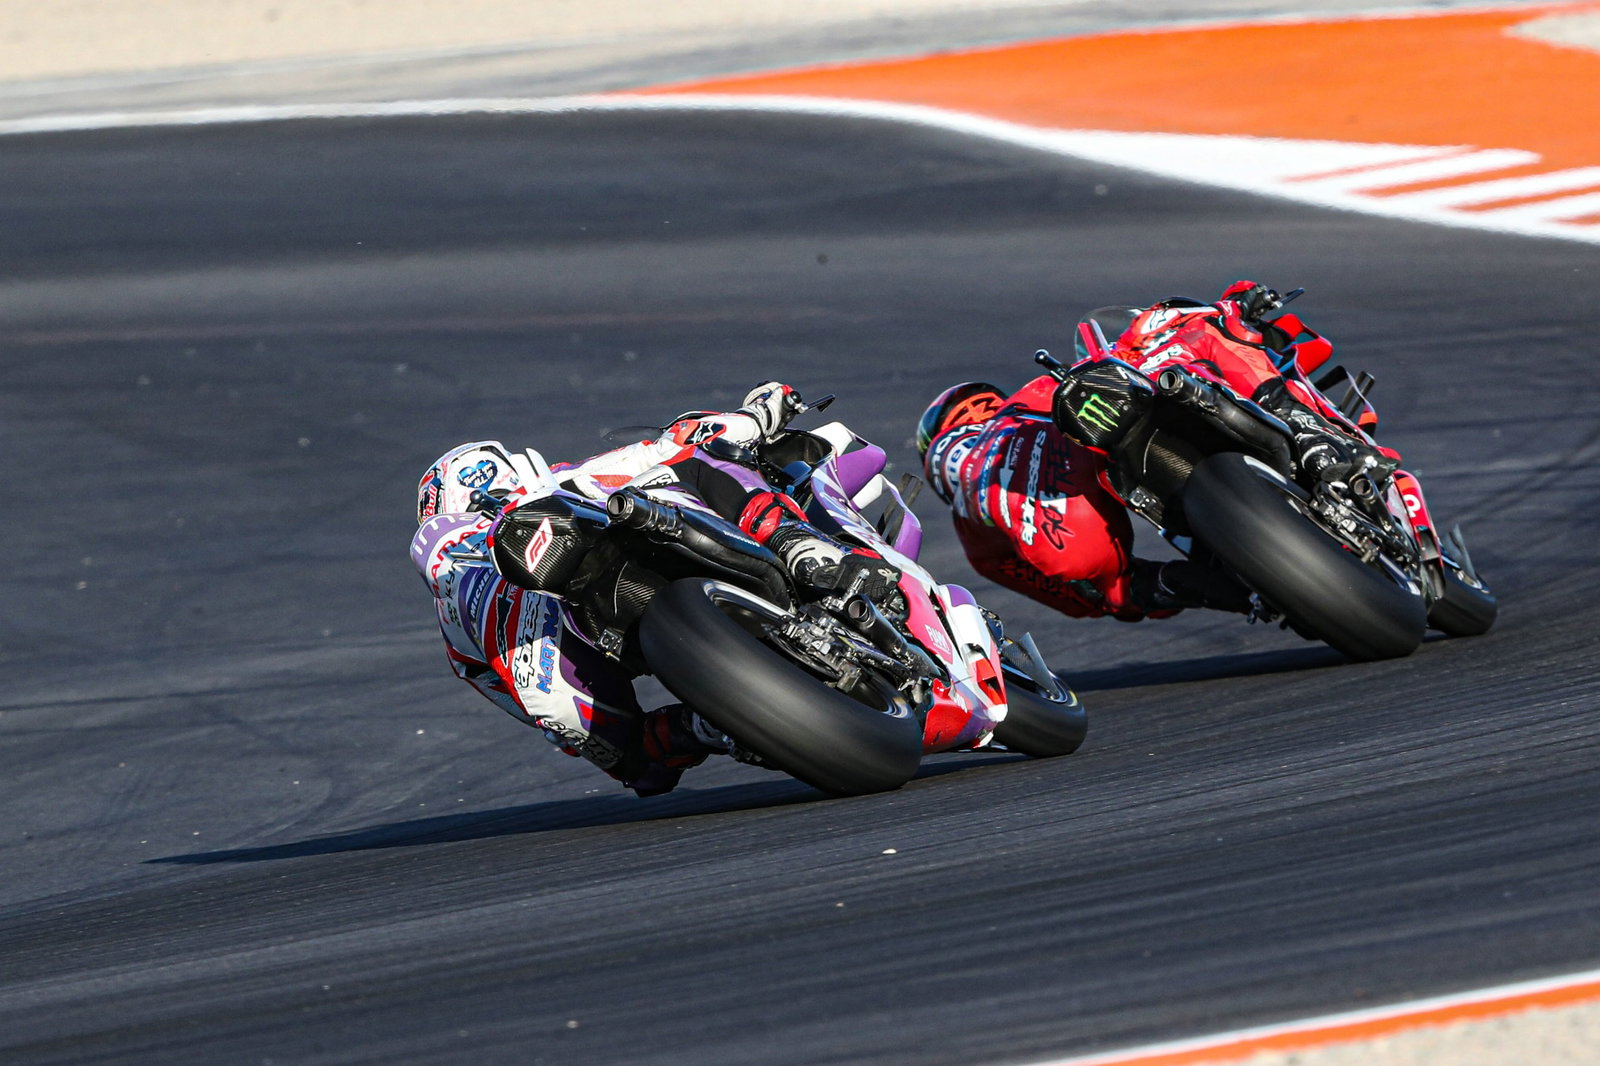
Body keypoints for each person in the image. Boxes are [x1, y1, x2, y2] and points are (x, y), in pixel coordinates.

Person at [410, 382, 900, 797]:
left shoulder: (455, 620)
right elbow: (686, 439)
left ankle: (707, 729)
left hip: (559, 656)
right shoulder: (566, 479)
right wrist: (763, 408)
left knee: (641, 761)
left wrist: (613, 741)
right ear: (522, 470)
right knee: (687, 462)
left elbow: (512, 697)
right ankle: (800, 546)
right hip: (583, 622)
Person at [917, 280, 1395, 622]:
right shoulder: (1026, 400)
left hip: (1069, 538)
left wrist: (1199, 592)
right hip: (1080, 438)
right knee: (1206, 333)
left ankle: (1245, 593)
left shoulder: (972, 527)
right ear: (980, 407)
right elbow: (1150, 335)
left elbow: (1092, 598)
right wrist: (1235, 306)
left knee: (1115, 587)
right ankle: (1314, 441)